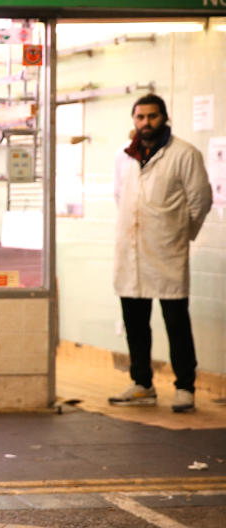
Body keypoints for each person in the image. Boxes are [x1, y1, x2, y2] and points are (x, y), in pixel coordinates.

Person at [109, 93, 212, 413]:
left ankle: (185, 387)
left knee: (176, 324)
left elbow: (201, 201)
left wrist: (181, 234)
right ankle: (142, 383)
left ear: (164, 117)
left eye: (152, 117)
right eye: (140, 117)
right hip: (132, 252)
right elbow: (119, 196)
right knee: (135, 323)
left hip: (167, 251)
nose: (146, 123)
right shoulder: (124, 156)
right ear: (134, 120)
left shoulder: (184, 153)